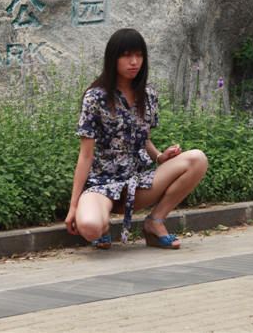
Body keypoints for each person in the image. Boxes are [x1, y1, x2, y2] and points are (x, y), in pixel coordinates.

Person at [64, 28, 208, 249]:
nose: (134, 62)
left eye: (139, 55)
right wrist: (73, 206)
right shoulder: (95, 97)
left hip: (137, 183)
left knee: (197, 159)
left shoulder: (147, 95)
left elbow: (144, 139)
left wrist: (160, 157)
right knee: (91, 227)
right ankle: (101, 225)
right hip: (101, 185)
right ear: (113, 58)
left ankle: (155, 222)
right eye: (126, 55)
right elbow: (85, 155)